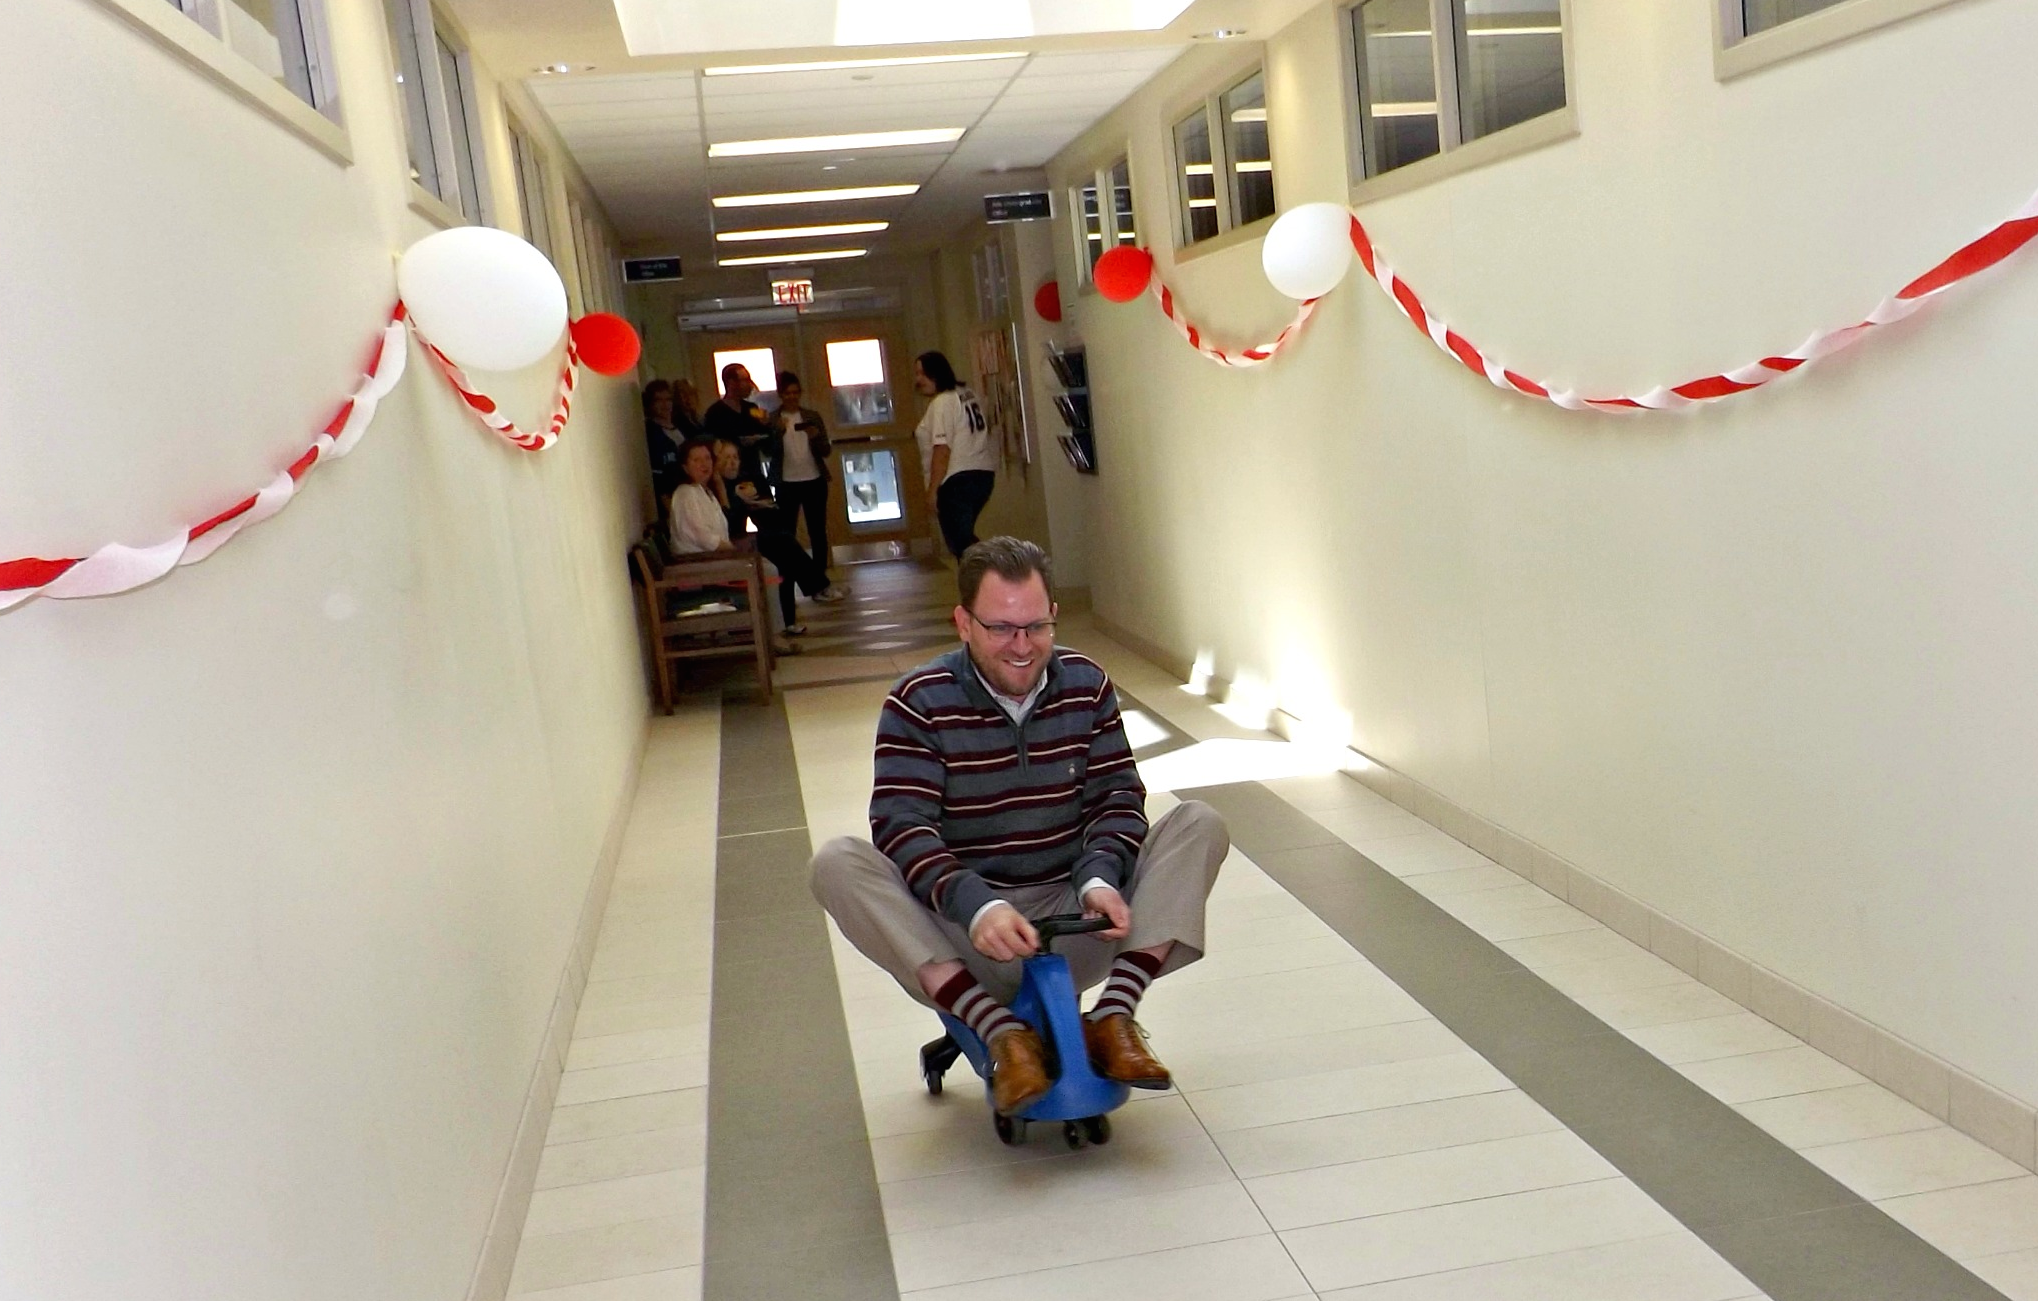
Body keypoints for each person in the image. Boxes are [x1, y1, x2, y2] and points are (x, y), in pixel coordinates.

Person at [809, 537, 1229, 1117]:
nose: (1022, 647)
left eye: (1037, 627)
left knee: (1198, 823)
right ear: (964, 622)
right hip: (969, 935)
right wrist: (977, 906)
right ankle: (1001, 1033)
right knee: (836, 862)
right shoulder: (917, 703)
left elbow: (1117, 798)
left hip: (1079, 916)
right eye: (1002, 629)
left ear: (1054, 615)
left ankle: (1112, 1016)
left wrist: (1101, 880)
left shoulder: (1087, 684)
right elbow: (902, 827)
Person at [711, 436, 847, 634]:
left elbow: (763, 509)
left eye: (735, 458)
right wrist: (742, 501)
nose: (732, 463)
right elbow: (729, 521)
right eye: (726, 458)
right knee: (782, 542)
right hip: (732, 543)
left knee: (784, 550)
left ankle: (789, 620)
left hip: (748, 537)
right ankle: (817, 588)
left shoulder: (746, 479)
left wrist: (756, 504)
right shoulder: (718, 487)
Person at [913, 351, 998, 560]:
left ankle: (994, 576)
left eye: (923, 374)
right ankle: (984, 582)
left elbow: (942, 449)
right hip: (982, 475)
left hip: (956, 480)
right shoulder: (967, 393)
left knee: (960, 543)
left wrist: (932, 490)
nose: (918, 380)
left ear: (937, 374)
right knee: (963, 539)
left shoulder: (942, 403)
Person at [767, 371, 834, 578]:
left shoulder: (812, 416)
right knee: (787, 533)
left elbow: (826, 451)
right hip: (786, 484)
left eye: (796, 392)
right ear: (780, 394)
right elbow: (768, 452)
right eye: (787, 393)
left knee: (817, 532)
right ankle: (789, 577)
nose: (792, 397)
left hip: (814, 481)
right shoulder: (773, 419)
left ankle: (819, 577)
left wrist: (815, 437)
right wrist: (777, 432)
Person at [701, 363, 773, 481]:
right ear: (731, 383)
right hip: (729, 475)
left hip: (754, 471)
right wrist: (738, 442)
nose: (750, 384)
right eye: (745, 380)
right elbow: (713, 445)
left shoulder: (752, 408)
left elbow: (767, 444)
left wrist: (765, 425)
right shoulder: (714, 413)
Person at [642, 380, 687, 502]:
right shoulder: (650, 432)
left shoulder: (683, 426)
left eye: (668, 400)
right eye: (659, 400)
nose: (665, 405)